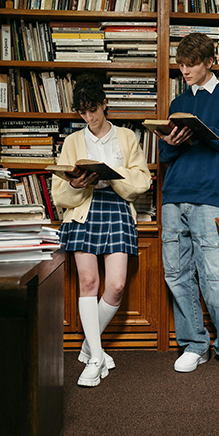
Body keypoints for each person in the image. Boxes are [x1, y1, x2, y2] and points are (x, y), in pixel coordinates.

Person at [156, 33, 219, 374]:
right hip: (174, 194)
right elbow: (166, 155)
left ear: (209, 62)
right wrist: (170, 141)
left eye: (191, 64)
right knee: (177, 273)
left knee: (215, 275)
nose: (185, 70)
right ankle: (194, 344)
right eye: (181, 65)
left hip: (212, 194)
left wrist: (205, 133)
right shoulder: (178, 102)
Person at [52, 74, 152, 387]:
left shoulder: (126, 137)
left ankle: (87, 345)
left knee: (117, 285)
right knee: (88, 281)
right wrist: (77, 183)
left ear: (104, 104)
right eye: (83, 112)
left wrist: (113, 175)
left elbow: (141, 183)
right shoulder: (72, 142)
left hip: (118, 209)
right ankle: (96, 358)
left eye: (93, 109)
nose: (90, 117)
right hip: (85, 210)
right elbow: (59, 195)